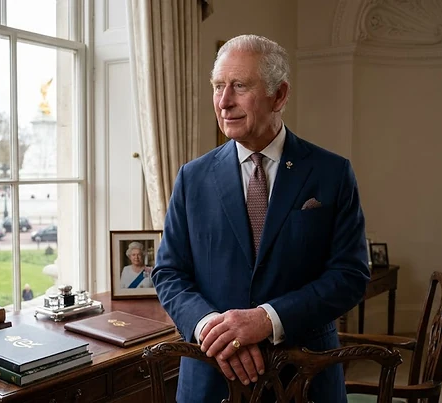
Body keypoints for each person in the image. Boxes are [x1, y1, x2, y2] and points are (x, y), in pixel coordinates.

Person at [151, 35, 370, 403]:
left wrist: (266, 320)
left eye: (239, 86)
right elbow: (169, 273)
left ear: (279, 95)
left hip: (306, 376)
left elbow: (350, 275)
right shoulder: (192, 177)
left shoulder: (331, 173)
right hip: (211, 376)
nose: (224, 102)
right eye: (218, 86)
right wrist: (213, 331)